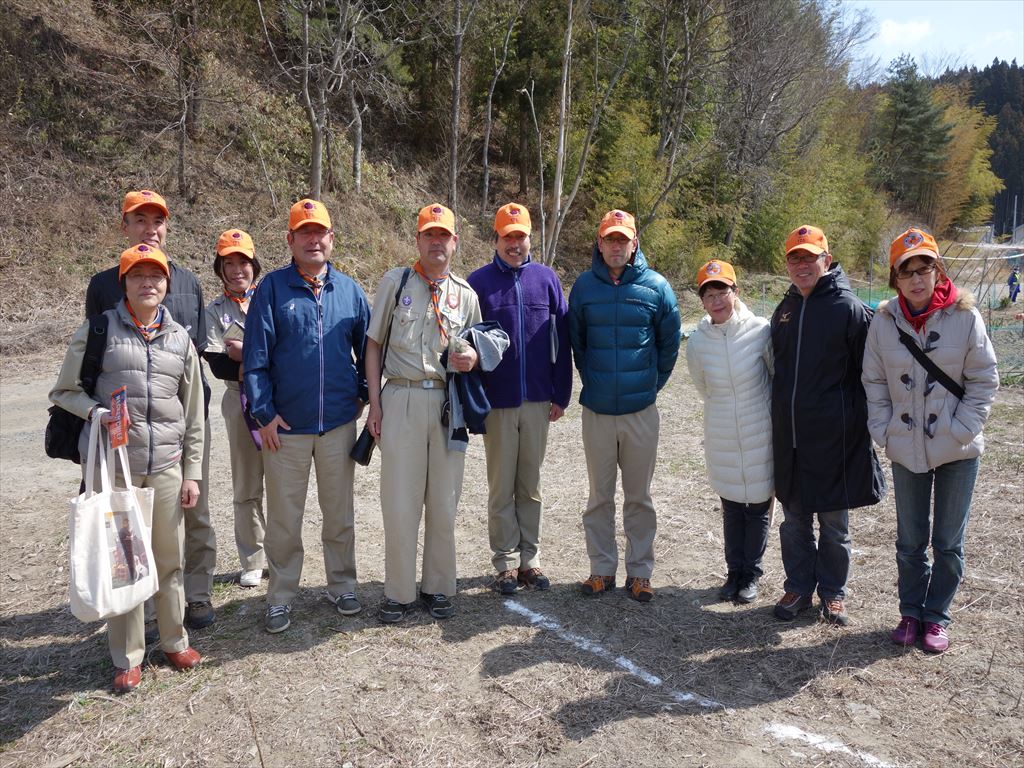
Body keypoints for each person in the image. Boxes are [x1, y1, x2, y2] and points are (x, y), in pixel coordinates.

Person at [51, 244, 204, 693]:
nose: (147, 282)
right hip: (116, 469)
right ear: (124, 283)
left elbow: (194, 414)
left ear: (167, 285)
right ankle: (128, 656)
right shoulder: (99, 330)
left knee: (169, 559)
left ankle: (175, 640)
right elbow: (64, 391)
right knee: (125, 564)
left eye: (155, 275)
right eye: (137, 275)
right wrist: (97, 412)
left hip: (168, 467)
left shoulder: (180, 340)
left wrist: (191, 471)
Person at [85, 189, 217, 631]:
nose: (150, 229)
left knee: (188, 515)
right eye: (139, 221)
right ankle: (133, 617)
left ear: (167, 226)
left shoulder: (189, 282)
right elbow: (94, 365)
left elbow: (192, 358)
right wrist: (97, 420)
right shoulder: (103, 285)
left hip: (176, 426)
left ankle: (193, 599)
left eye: (157, 220)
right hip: (123, 440)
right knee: (126, 534)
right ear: (125, 227)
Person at [862, 227, 998, 653]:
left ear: (939, 272)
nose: (918, 279)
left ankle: (937, 616)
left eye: (926, 268)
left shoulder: (966, 317)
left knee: (948, 543)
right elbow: (874, 382)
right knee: (910, 540)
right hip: (905, 445)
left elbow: (984, 380)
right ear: (895, 279)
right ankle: (910, 612)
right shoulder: (883, 324)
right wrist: (884, 430)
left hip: (957, 448)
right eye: (908, 271)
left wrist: (962, 429)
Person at [243, 199, 371, 634]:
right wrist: (263, 413)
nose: (313, 240)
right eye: (304, 232)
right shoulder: (272, 289)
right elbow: (255, 359)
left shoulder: (350, 291)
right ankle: (280, 596)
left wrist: (363, 394)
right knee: (284, 519)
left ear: (332, 239)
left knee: (339, 514)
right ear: (290, 240)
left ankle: (342, 584)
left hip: (337, 425)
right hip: (286, 428)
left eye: (321, 233)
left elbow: (369, 351)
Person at [364, 203, 483, 624]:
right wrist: (375, 405)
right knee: (400, 500)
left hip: (448, 402)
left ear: (455, 242)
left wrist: (471, 357)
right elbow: (373, 345)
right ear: (417, 240)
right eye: (429, 234)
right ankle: (398, 591)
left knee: (444, 500)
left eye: (444, 235)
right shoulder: (396, 283)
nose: (437, 242)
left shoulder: (466, 295)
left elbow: (477, 346)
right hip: (401, 397)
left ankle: (438, 586)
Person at [770, 225, 884, 625]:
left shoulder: (849, 309)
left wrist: (860, 430)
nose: (802, 265)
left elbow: (870, 376)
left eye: (810, 257)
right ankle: (798, 586)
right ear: (787, 264)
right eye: (795, 258)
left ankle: (833, 593)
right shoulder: (784, 310)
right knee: (793, 521)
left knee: (835, 525)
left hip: (834, 439)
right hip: (792, 440)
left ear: (827, 260)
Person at [568, 209, 681, 602]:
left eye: (623, 240)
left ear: (635, 244)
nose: (616, 246)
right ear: (599, 244)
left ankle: (640, 572)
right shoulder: (583, 287)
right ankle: (601, 570)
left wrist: (650, 386)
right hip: (597, 413)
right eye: (609, 239)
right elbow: (577, 344)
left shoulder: (657, 287)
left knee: (639, 498)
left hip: (640, 414)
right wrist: (595, 381)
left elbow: (669, 346)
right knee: (599, 497)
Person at [467, 203, 572, 595]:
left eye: (521, 236)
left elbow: (562, 344)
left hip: (537, 401)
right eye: (507, 236)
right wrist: (476, 400)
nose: (515, 244)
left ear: (531, 238)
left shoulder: (547, 280)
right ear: (496, 238)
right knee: (500, 484)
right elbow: (469, 342)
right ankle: (505, 563)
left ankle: (531, 560)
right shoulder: (478, 283)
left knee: (531, 484)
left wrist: (560, 392)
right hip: (497, 402)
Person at [685, 259, 773, 604]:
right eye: (709, 294)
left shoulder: (760, 330)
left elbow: (773, 374)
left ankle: (751, 573)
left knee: (758, 507)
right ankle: (733, 571)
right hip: (722, 432)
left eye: (722, 290)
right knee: (732, 506)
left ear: (736, 292)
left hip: (759, 430)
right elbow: (702, 386)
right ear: (702, 302)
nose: (717, 299)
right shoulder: (697, 342)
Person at [203, 229, 266, 589]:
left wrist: (246, 351)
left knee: (282, 478)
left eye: (243, 261)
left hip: (276, 396)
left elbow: (284, 353)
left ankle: (280, 552)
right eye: (229, 262)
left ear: (253, 264)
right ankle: (253, 558)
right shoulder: (214, 310)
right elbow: (217, 363)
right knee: (246, 483)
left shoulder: (271, 298)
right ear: (220, 267)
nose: (237, 268)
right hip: (237, 398)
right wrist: (260, 356)